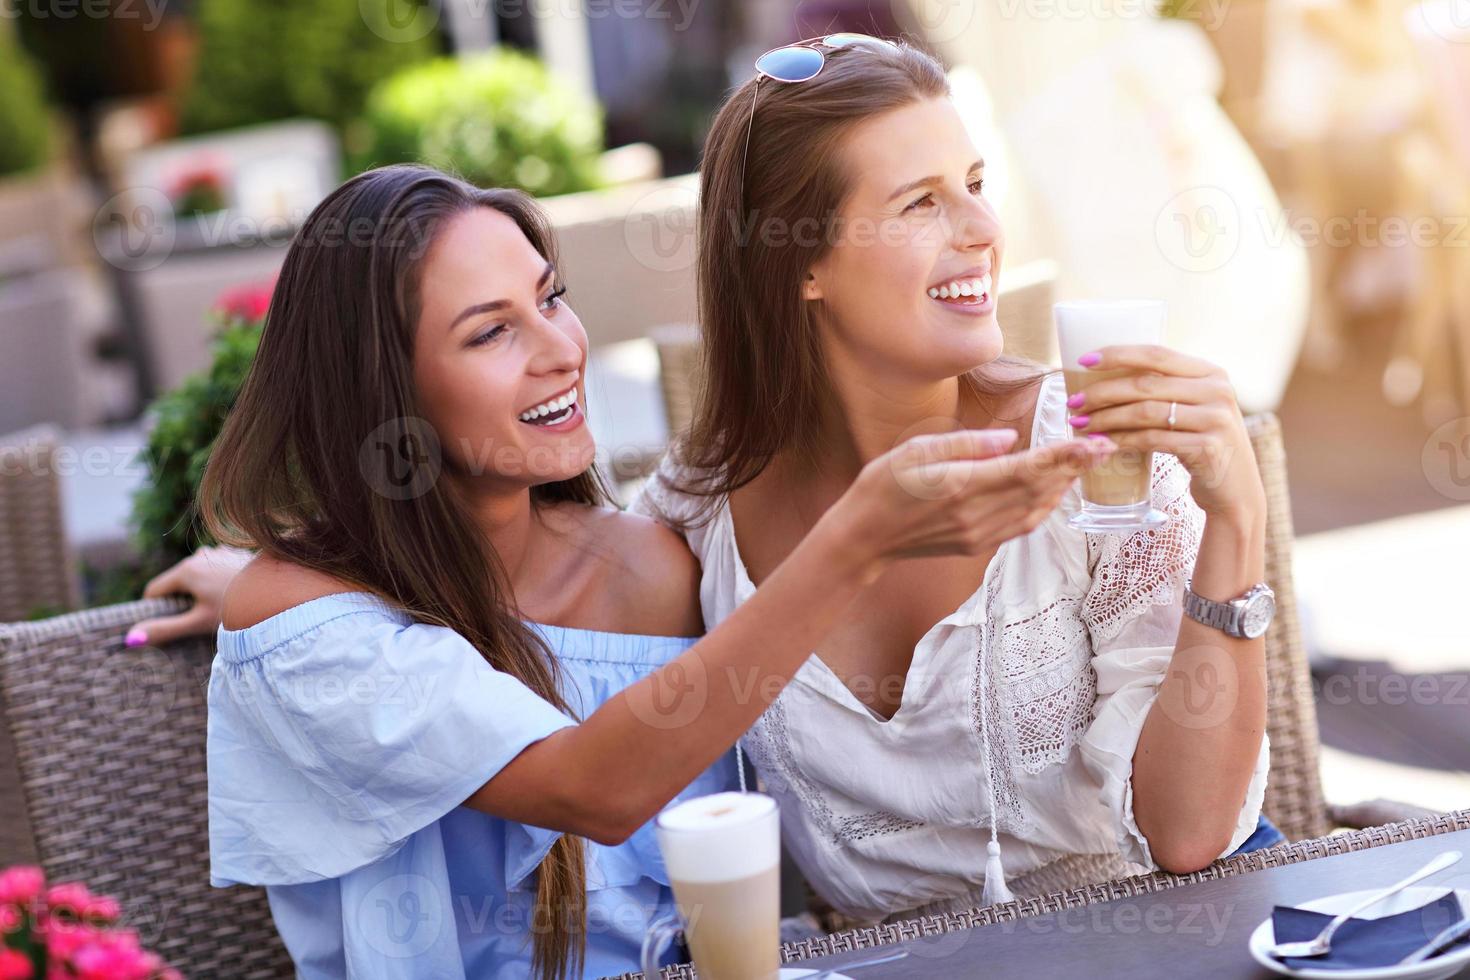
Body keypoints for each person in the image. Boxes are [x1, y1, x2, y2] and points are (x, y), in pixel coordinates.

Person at [186, 162, 1114, 979]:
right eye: (489, 333)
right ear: (384, 393)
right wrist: (855, 540)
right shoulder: (307, 620)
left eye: (550, 299)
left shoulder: (647, 568)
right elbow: (592, 787)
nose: (560, 350)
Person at [630, 35, 1276, 923]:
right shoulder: (698, 513)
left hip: (1144, 945)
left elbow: (1189, 836)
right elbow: (597, 757)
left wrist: (1237, 519)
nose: (982, 232)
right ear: (799, 262)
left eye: (975, 185)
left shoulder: (1095, 455)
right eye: (920, 204)